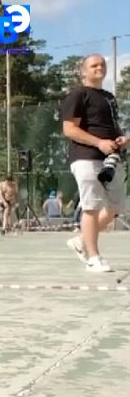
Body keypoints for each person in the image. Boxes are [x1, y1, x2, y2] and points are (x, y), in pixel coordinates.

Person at [62, 54, 128, 272]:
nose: (99, 68)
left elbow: (112, 126)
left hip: (112, 158)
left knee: (115, 207)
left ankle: (82, 241)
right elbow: (69, 129)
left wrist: (123, 139)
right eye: (94, 65)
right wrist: (99, 142)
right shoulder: (78, 94)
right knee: (91, 206)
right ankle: (93, 258)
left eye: (102, 64)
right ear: (83, 71)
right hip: (85, 157)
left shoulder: (109, 97)